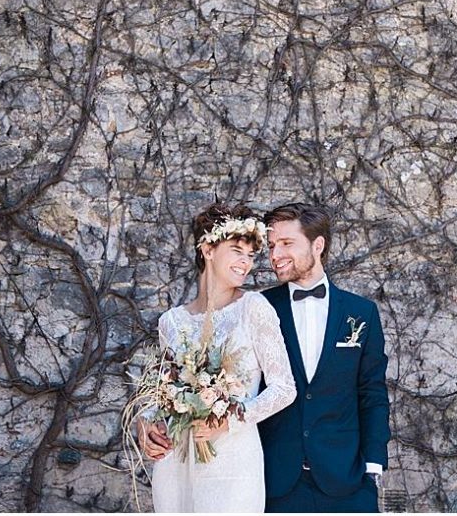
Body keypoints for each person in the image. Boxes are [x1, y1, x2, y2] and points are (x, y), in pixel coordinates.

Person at [137, 203, 296, 512]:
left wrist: (228, 422)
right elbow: (161, 393)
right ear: (208, 248)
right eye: (237, 250)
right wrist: (145, 425)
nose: (245, 263)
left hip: (233, 463)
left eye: (251, 255)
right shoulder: (171, 322)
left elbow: (284, 388)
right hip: (177, 462)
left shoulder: (254, 308)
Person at [259, 203, 391, 512]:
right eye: (271, 246)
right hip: (276, 483)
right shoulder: (259, 308)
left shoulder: (361, 313)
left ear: (318, 245)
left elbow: (371, 392)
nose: (275, 255)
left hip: (347, 480)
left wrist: (372, 464)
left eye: (286, 243)